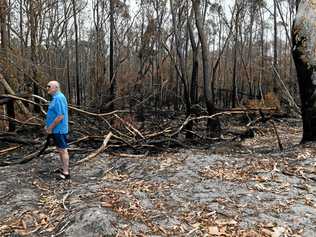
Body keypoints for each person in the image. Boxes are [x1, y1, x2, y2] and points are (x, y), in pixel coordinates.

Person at [45, 81, 70, 180]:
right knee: (60, 149)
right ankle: (63, 168)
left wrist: (50, 127)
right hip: (56, 129)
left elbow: (60, 116)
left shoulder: (59, 98)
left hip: (59, 130)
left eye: (49, 86)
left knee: (63, 150)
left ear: (55, 87)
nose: (47, 88)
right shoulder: (55, 98)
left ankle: (66, 173)